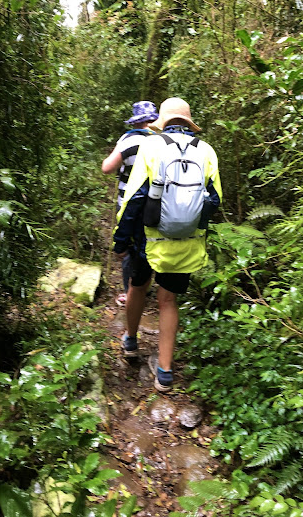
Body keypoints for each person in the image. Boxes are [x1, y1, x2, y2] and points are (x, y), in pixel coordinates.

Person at [113, 97, 222, 392]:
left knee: (137, 286)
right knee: (168, 301)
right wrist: (187, 222)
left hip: (147, 239)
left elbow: (135, 197)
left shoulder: (151, 146)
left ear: (163, 121)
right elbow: (214, 200)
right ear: (188, 122)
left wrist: (121, 240)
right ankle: (164, 373)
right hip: (186, 242)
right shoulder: (206, 151)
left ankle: (131, 341)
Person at [102, 101, 159, 305]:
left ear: (136, 122)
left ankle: (131, 292)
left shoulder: (129, 139)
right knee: (150, 243)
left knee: (128, 246)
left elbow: (107, 168)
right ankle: (145, 286)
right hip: (157, 203)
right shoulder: (163, 140)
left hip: (129, 201)